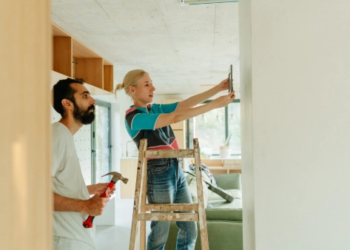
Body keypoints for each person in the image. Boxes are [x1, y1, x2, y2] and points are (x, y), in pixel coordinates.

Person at [115, 69, 235, 250]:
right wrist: (214, 105)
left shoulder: (153, 108)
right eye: (146, 84)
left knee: (190, 228)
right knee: (160, 232)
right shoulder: (134, 118)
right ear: (132, 90)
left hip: (176, 168)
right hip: (158, 171)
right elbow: (175, 117)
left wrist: (217, 89)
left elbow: (184, 104)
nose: (153, 88)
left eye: (151, 83)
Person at [52, 78, 113, 250]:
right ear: (67, 104)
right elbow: (36, 196)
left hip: (75, 237)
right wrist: (86, 205)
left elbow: (56, 187)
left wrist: (89, 189)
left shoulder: (63, 136)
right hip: (65, 240)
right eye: (85, 96)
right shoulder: (56, 136)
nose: (93, 100)